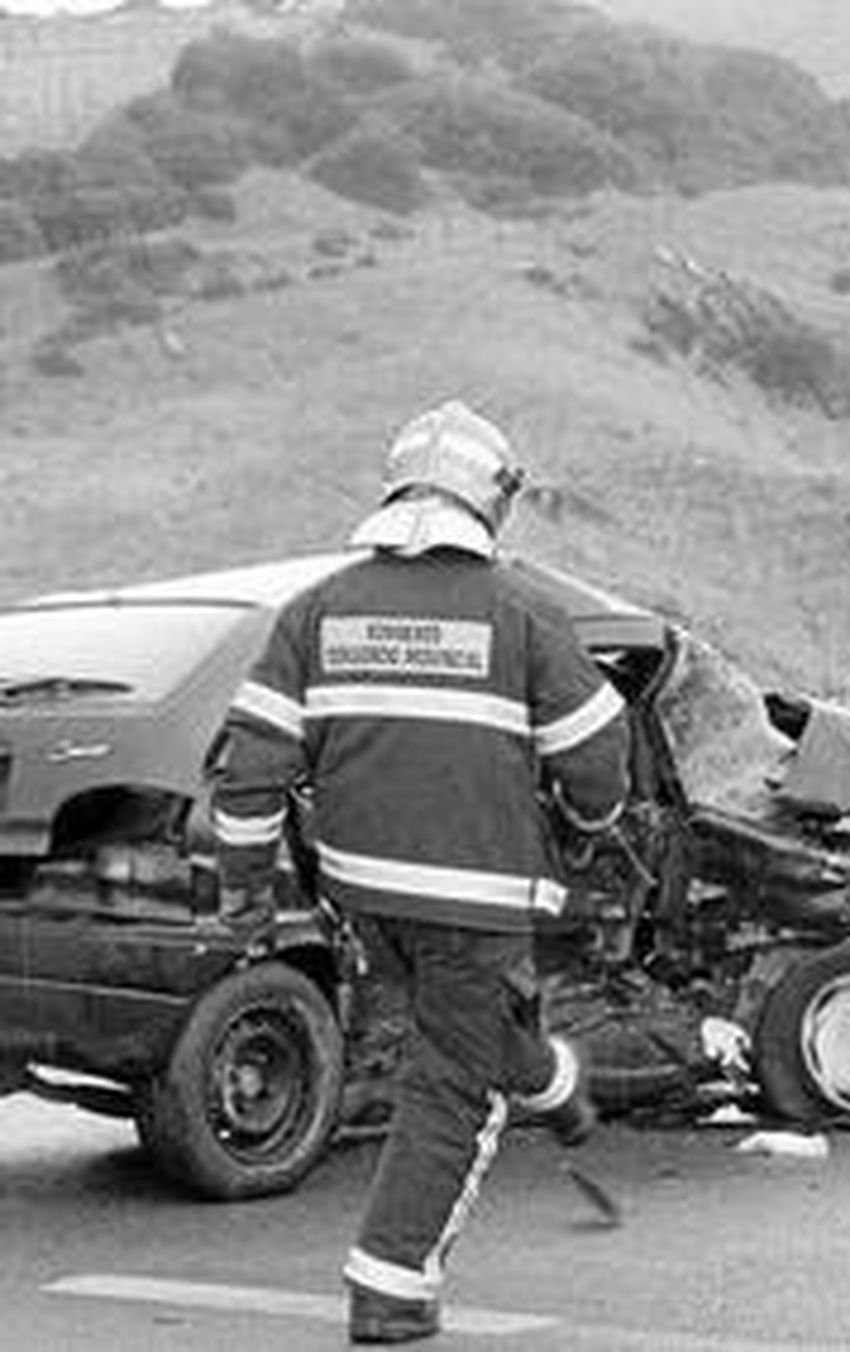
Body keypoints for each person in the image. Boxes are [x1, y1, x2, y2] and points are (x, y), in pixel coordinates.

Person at [209, 399, 631, 1342]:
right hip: (476, 906)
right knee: (452, 1085)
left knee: (463, 1022)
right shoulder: (523, 612)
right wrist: (589, 822)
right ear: (494, 501)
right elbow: (601, 761)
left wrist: (244, 889)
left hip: (367, 907)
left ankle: (555, 1086)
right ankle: (391, 1283)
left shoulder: (314, 611)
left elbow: (249, 772)